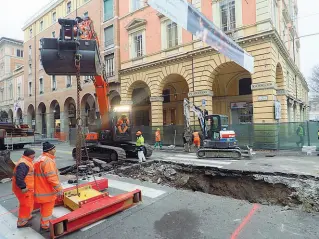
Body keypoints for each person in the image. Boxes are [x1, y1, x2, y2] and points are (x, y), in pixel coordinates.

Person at [33, 142, 63, 233]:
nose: (55, 150)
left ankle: (44, 223)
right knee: (47, 209)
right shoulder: (48, 161)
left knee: (43, 208)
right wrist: (59, 189)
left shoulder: (40, 159)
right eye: (54, 149)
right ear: (49, 150)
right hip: (46, 191)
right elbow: (52, 178)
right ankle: (45, 226)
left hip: (40, 190)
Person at [12, 149, 36, 228]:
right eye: (33, 155)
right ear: (29, 155)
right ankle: (21, 222)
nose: (34, 157)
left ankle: (27, 217)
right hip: (23, 190)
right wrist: (23, 187)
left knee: (28, 204)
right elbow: (19, 177)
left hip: (27, 189)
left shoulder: (27, 161)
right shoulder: (23, 164)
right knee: (25, 205)